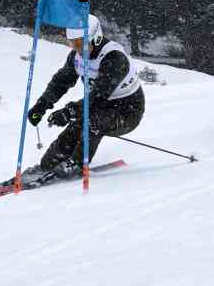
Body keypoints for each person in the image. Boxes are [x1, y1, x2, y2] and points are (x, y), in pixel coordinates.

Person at [18, 14, 144, 188]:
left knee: (92, 123)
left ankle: (76, 165)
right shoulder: (76, 57)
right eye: (73, 44)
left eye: (81, 43)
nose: (78, 49)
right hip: (98, 107)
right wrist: (42, 105)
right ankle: (49, 164)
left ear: (96, 38)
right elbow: (61, 82)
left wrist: (69, 111)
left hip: (127, 111)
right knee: (75, 128)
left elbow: (98, 96)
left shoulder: (114, 58)